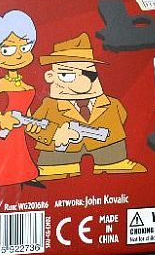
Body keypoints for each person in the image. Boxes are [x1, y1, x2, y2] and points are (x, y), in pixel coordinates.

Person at [26, 33, 146, 180]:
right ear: (51, 76)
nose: (82, 82)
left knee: (113, 154)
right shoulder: (50, 106)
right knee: (55, 165)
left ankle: (114, 162)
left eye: (88, 74)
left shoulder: (112, 104)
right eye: (67, 75)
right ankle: (56, 167)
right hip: (58, 158)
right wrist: (55, 133)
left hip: (107, 153)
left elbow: (122, 116)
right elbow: (33, 127)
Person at [0, 10, 43, 193]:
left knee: (19, 152)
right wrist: (0, 117)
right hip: (6, 126)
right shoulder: (3, 84)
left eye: (24, 48)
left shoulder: (26, 85)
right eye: (8, 50)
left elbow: (27, 109)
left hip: (20, 127)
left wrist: (31, 123)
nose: (18, 55)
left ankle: (22, 178)